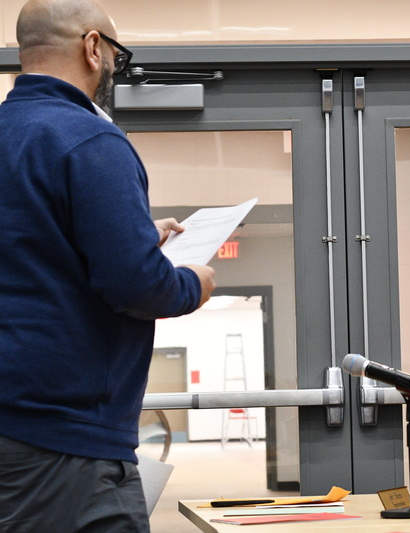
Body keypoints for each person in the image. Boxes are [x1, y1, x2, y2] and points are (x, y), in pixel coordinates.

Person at [0, 1, 216, 531]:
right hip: (64, 441)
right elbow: (136, 286)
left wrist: (138, 236)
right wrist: (193, 283)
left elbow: (35, 251)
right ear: (94, 47)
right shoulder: (89, 138)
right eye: (117, 53)